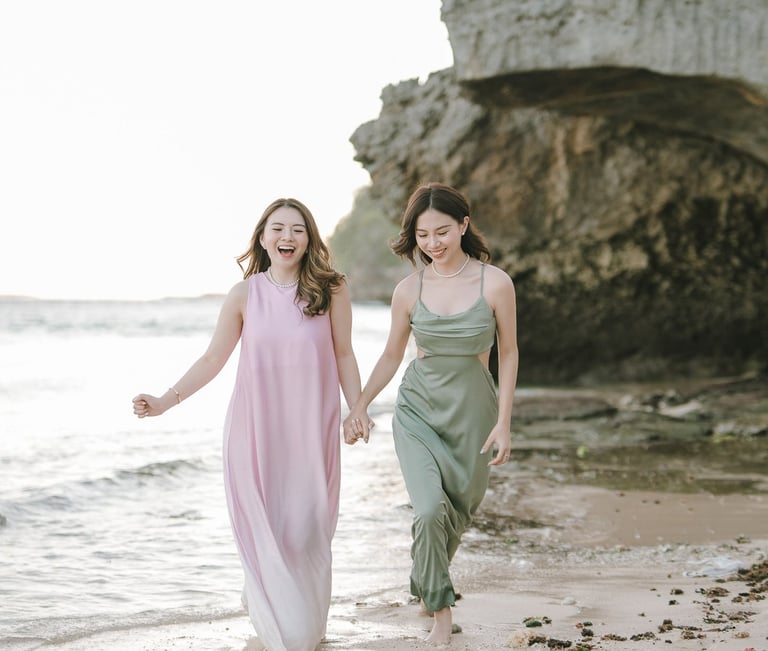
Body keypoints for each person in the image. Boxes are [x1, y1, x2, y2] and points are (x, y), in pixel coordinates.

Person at [133, 197, 370, 651]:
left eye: (297, 229)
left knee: (307, 526)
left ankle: (301, 614)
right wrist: (165, 401)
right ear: (262, 237)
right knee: (266, 523)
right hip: (254, 430)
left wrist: (356, 408)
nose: (287, 237)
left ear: (309, 238)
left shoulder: (331, 288)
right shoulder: (244, 295)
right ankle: (274, 610)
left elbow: (344, 353)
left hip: (310, 428)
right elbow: (213, 358)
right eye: (278, 228)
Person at [343, 182, 519, 647]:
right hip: (418, 411)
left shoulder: (495, 282)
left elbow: (511, 351)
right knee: (427, 509)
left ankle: (425, 581)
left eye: (442, 232)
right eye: (423, 235)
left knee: (457, 510)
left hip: (474, 416)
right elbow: (389, 356)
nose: (433, 244)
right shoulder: (408, 289)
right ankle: (441, 613)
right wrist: (358, 405)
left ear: (463, 225)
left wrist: (504, 422)